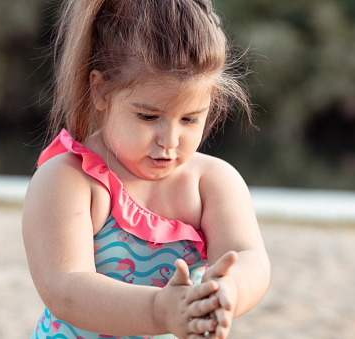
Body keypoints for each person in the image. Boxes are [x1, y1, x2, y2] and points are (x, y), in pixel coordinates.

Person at [22, 0, 270, 338]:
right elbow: (64, 288)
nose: (169, 140)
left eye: (189, 119)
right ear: (101, 91)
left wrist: (229, 290)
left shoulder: (212, 183)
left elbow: (248, 256)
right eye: (148, 117)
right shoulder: (69, 178)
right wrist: (160, 311)